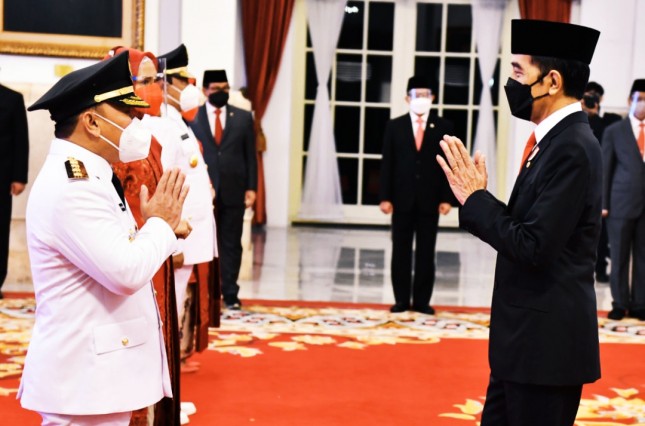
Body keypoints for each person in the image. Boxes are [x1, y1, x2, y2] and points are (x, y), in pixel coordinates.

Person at [436, 19, 602, 425]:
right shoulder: (553, 142)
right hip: (524, 345)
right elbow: (529, 227)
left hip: (546, 350)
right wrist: (479, 199)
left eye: (517, 72)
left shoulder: (572, 148)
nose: (510, 84)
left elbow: (534, 246)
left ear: (552, 81)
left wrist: (475, 200)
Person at [18, 50, 190, 426]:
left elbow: (115, 253)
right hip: (84, 379)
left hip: (96, 376)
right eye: (126, 114)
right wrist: (160, 224)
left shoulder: (93, 174)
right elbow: (125, 272)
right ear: (92, 122)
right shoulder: (73, 185)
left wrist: (158, 228)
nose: (136, 119)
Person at [104, 46, 184, 426]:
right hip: (131, 256)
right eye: (145, 80)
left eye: (156, 80)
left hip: (155, 250)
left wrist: (171, 227)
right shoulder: (115, 141)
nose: (153, 88)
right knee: (131, 341)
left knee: (156, 337)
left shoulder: (147, 138)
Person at [157, 43, 219, 372]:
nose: (189, 89)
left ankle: (175, 354)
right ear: (166, 83)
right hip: (182, 228)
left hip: (192, 225)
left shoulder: (178, 122)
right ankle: (169, 359)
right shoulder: (165, 123)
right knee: (175, 292)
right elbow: (166, 181)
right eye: (184, 82)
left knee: (183, 291)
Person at [379, 75, 454, 314]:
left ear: (432, 97)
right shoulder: (395, 126)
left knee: (426, 251)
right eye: (416, 95)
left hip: (429, 201)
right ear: (406, 98)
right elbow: (387, 164)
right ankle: (401, 299)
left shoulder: (443, 127)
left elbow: (448, 166)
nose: (421, 99)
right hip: (401, 199)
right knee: (400, 250)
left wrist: (446, 198)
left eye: (425, 95)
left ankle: (422, 301)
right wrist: (385, 196)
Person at [190, 69, 257, 310]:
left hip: (234, 189)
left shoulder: (242, 117)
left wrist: (252, 187)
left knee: (231, 243)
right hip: (202, 190)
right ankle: (207, 293)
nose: (221, 93)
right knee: (204, 241)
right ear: (206, 90)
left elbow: (251, 155)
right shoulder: (192, 118)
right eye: (217, 89)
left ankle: (230, 292)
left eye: (225, 89)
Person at [602, 79, 645, 321]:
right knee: (618, 255)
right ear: (630, 101)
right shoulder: (614, 131)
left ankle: (640, 303)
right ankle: (619, 302)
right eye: (639, 99)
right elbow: (606, 169)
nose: (642, 105)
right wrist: (603, 204)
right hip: (620, 203)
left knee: (642, 256)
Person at [0, 82, 29, 299]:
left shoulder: (12, 98)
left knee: (0, 232)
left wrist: (19, 176)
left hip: (1, 180)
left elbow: (21, 140)